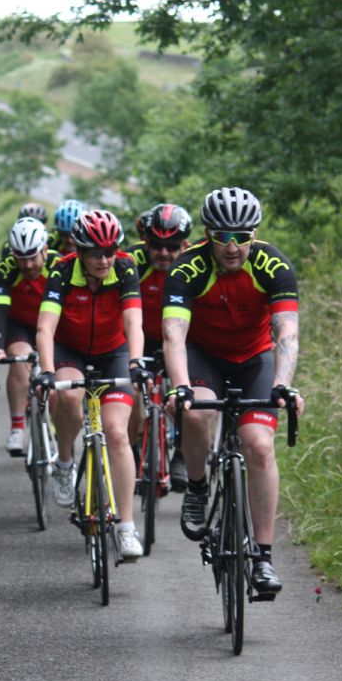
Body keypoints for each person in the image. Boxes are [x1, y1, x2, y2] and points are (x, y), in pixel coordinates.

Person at [162, 187, 304, 595]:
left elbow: (286, 334)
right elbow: (174, 335)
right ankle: (197, 486)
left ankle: (263, 558)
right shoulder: (187, 268)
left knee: (258, 444)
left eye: (241, 237)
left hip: (254, 358)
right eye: (222, 236)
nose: (231, 246)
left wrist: (282, 385)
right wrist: (181, 388)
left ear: (253, 234)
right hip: (203, 356)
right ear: (208, 234)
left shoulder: (272, 264)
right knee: (197, 412)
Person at [34, 209, 146, 560]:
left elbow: (134, 321)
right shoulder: (62, 270)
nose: (104, 260)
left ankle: (126, 527)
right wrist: (47, 371)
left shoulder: (125, 267)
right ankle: (65, 462)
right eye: (96, 253)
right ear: (80, 251)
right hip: (71, 351)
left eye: (110, 251)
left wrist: (136, 362)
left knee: (116, 433)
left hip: (114, 351)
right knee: (69, 398)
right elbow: (45, 327)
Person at [126, 203, 194, 491]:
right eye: (156, 245)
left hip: (182, 340)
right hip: (141, 339)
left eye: (172, 246)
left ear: (185, 245)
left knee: (191, 393)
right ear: (145, 241)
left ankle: (182, 454)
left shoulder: (193, 265)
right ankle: (131, 451)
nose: (164, 253)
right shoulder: (132, 262)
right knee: (130, 394)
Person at [0, 217, 59, 455]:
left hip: (53, 325)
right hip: (19, 325)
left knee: (58, 373)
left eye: (32, 257)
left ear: (45, 250)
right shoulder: (6, 269)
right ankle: (17, 427)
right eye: (21, 258)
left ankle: (58, 424)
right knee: (20, 363)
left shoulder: (60, 265)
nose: (28, 265)